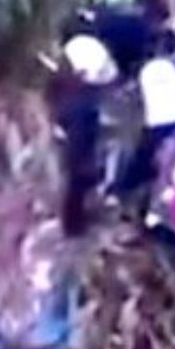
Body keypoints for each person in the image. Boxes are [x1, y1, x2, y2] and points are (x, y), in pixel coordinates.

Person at [53, 35, 116, 237]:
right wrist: (80, 159)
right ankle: (73, 226)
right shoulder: (85, 106)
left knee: (74, 189)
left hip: (75, 149)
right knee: (75, 190)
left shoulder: (73, 98)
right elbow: (80, 136)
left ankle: (73, 222)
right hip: (78, 153)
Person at [118, 56, 175, 198]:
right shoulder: (169, 68)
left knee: (144, 152)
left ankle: (130, 186)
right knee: (166, 152)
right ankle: (157, 181)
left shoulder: (144, 73)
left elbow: (134, 97)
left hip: (156, 119)